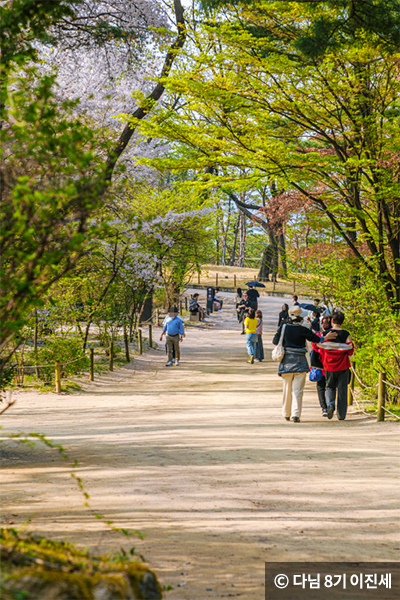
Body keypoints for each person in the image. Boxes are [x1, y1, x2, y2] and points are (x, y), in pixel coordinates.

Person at [272, 306, 337, 423]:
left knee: (287, 389)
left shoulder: (284, 327)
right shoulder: (303, 329)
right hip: (300, 363)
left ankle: (286, 413)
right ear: (301, 317)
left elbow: (275, 341)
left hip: (286, 362)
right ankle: (296, 414)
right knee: (298, 390)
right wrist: (325, 337)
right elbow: (316, 339)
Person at [317, 311, 354, 421]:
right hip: (343, 366)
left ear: (332, 321)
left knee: (329, 386)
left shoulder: (326, 334)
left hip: (328, 365)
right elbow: (350, 349)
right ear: (342, 322)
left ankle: (330, 404)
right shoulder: (346, 334)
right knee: (342, 389)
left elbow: (319, 346)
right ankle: (341, 415)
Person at [310, 315, 331, 417]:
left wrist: (312, 367)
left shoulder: (317, 335)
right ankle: (331, 404)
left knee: (321, 387)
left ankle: (324, 408)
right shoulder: (335, 335)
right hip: (331, 365)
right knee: (330, 386)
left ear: (321, 324)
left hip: (319, 365)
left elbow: (313, 351)